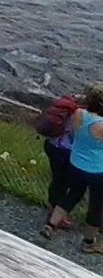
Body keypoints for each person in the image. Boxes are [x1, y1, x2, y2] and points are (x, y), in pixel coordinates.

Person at [37, 94, 82, 241]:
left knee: (57, 179)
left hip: (52, 145)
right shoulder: (80, 114)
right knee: (68, 184)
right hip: (66, 150)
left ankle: (53, 209)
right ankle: (57, 215)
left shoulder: (68, 106)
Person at [69, 86, 103, 255]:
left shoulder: (78, 113)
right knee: (97, 206)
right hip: (97, 170)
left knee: (73, 194)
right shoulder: (101, 125)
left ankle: (51, 225)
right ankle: (89, 242)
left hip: (76, 162)